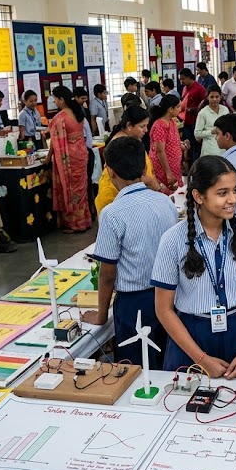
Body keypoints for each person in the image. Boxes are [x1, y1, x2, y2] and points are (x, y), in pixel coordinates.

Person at [151, 156, 236, 376]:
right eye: (222, 193)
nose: (233, 199)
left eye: (235, 190)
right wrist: (202, 359)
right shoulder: (173, 240)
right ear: (198, 196)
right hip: (190, 339)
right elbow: (163, 309)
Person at [83, 136, 178, 367]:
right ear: (144, 168)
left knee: (135, 371)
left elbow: (107, 274)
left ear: (110, 172)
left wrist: (101, 314)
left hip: (133, 303)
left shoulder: (112, 213)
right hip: (169, 297)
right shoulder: (165, 202)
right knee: (165, 362)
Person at [43, 86, 91, 233]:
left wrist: (48, 157)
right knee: (81, 188)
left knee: (70, 190)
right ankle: (84, 219)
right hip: (81, 154)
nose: (55, 102)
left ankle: (75, 224)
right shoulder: (78, 112)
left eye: (55, 99)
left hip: (68, 157)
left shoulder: (60, 118)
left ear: (61, 99)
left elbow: (56, 143)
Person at [95, 105, 159, 214]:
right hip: (115, 198)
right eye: (142, 126)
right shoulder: (122, 146)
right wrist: (154, 186)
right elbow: (132, 176)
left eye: (146, 126)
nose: (146, 130)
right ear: (129, 125)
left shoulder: (132, 140)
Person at [148, 95, 185, 196]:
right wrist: (168, 173)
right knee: (166, 194)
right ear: (170, 109)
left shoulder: (171, 121)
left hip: (173, 165)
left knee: (175, 193)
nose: (180, 109)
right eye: (177, 107)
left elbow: (171, 141)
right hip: (164, 167)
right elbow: (160, 151)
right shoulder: (160, 126)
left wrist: (180, 144)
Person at [179, 68, 206, 162]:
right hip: (185, 121)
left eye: (183, 79)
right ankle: (188, 164)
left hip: (195, 121)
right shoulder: (185, 88)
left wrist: (194, 109)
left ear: (189, 77)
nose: (181, 81)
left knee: (195, 145)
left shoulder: (199, 88)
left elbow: (205, 103)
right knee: (187, 145)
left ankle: (196, 163)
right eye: (180, 79)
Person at [194, 85, 228, 157]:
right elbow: (197, 133)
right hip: (209, 150)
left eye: (217, 97)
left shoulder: (225, 110)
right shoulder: (203, 113)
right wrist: (211, 132)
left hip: (223, 150)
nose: (215, 99)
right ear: (207, 97)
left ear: (220, 97)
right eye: (212, 97)